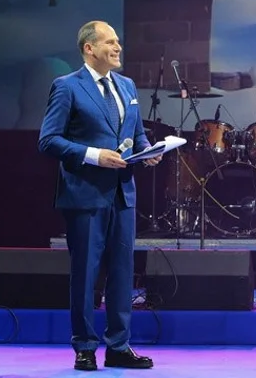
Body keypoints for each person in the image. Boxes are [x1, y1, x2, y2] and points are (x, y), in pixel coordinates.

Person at [38, 20, 162, 371]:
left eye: (118, 41)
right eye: (110, 42)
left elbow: (136, 135)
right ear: (89, 48)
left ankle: (119, 345)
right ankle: (85, 346)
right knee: (86, 274)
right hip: (85, 194)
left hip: (122, 194)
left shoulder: (127, 85)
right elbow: (48, 140)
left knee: (122, 273)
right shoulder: (67, 86)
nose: (118, 47)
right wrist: (94, 155)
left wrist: (148, 151)